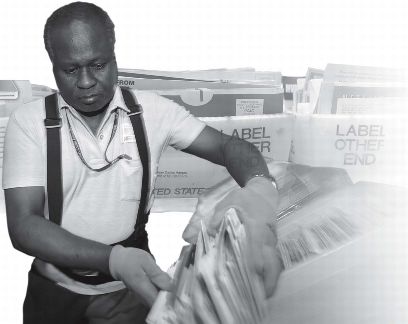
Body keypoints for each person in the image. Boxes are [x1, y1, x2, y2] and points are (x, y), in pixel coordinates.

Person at [2, 2, 281, 323]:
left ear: (114, 54)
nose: (86, 81)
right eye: (70, 69)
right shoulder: (30, 123)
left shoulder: (153, 112)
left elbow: (228, 147)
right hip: (54, 292)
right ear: (52, 66)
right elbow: (23, 226)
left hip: (130, 290)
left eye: (98, 64)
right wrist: (113, 258)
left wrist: (260, 191)